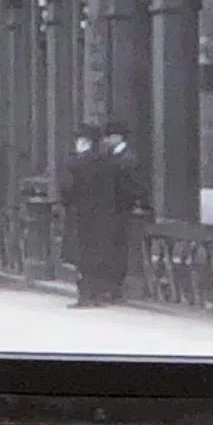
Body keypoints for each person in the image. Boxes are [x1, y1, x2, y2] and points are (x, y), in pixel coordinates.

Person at [61, 127, 149, 308]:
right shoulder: (109, 163)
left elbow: (67, 190)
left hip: (81, 217)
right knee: (99, 256)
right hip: (105, 217)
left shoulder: (75, 164)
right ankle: (98, 294)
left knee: (83, 258)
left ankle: (85, 295)